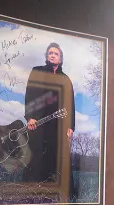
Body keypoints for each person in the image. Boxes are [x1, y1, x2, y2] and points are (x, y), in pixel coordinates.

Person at [23, 42, 76, 187]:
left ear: (60, 58)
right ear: (47, 56)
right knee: (36, 154)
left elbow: (70, 104)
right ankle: (31, 189)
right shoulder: (37, 71)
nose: (52, 55)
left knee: (57, 156)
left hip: (59, 124)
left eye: (56, 53)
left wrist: (70, 126)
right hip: (38, 121)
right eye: (50, 53)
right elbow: (29, 95)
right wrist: (30, 117)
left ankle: (56, 190)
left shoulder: (66, 79)